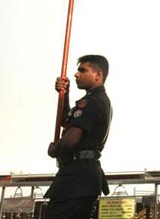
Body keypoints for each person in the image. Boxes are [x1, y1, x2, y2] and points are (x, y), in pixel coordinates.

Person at [44, 55, 112, 219]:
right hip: (80, 176)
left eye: (83, 70)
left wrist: (55, 149)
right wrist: (64, 94)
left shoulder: (93, 103)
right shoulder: (95, 101)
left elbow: (70, 140)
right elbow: (67, 122)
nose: (76, 74)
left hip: (77, 178)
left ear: (98, 75)